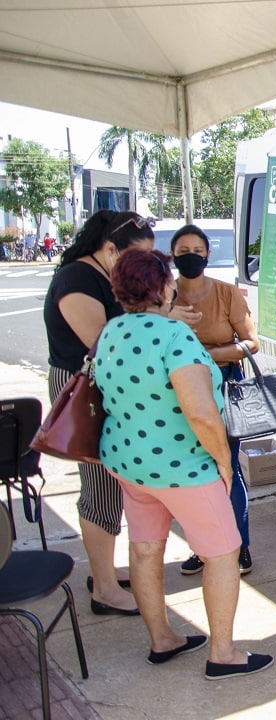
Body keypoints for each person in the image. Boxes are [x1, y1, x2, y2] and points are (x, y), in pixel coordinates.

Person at [97, 248, 273, 679]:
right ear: (162, 288)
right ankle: (224, 654)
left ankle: (162, 640)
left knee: (144, 548)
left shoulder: (111, 332)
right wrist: (222, 461)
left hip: (129, 462)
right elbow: (200, 413)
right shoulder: (173, 337)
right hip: (183, 468)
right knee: (223, 553)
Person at [43, 210, 157, 616]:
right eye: (136, 258)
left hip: (103, 390)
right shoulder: (77, 279)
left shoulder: (103, 275)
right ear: (110, 249)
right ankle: (104, 589)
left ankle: (104, 570)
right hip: (85, 396)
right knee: (100, 487)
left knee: (112, 484)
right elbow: (101, 341)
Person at [169, 224, 260, 577]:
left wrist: (209, 353)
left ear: (207, 254)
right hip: (176, 390)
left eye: (196, 249)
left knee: (228, 466)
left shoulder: (226, 294)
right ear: (173, 256)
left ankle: (240, 545)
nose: (190, 255)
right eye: (182, 250)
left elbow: (251, 342)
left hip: (223, 385)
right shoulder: (165, 296)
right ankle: (202, 547)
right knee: (192, 472)